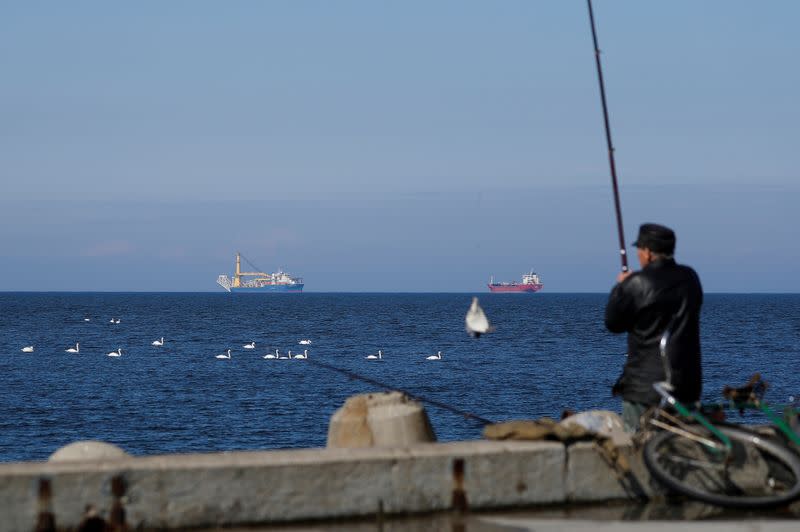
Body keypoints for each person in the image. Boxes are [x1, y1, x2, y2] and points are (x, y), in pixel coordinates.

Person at [605, 223, 703, 432]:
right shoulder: (690, 279)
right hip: (686, 385)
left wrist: (620, 287)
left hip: (643, 387)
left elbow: (612, 323)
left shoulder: (637, 283)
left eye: (639, 250)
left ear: (648, 253)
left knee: (637, 443)